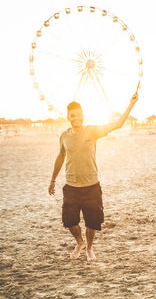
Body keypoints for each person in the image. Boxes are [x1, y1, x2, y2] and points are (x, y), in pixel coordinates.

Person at [48, 92, 138, 261]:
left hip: (91, 186)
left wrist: (131, 104)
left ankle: (89, 248)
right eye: (73, 115)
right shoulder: (64, 136)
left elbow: (118, 124)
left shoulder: (92, 131)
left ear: (83, 115)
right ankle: (79, 242)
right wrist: (52, 180)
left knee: (92, 222)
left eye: (79, 115)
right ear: (68, 116)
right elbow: (60, 157)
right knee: (69, 221)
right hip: (71, 186)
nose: (77, 118)